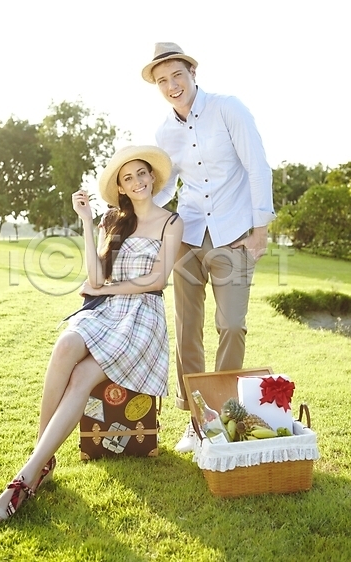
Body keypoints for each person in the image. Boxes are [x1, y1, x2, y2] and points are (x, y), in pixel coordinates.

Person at [0, 145, 183, 523]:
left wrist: (107, 290)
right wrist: (88, 222)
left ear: (152, 176)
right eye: (128, 178)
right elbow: (95, 278)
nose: (137, 181)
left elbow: (157, 280)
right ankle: (41, 459)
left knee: (82, 377)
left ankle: (26, 477)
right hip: (107, 310)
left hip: (142, 317)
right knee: (65, 345)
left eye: (142, 173)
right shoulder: (113, 220)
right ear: (120, 187)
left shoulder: (171, 222)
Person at [141, 42, 276, 453]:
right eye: (162, 81)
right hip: (188, 236)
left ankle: (223, 414)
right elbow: (164, 187)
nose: (171, 85)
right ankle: (195, 419)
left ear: (192, 73)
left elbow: (258, 167)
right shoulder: (164, 133)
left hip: (233, 235)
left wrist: (260, 231)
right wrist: (131, 212)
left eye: (176, 75)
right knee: (187, 330)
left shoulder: (228, 109)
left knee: (232, 325)